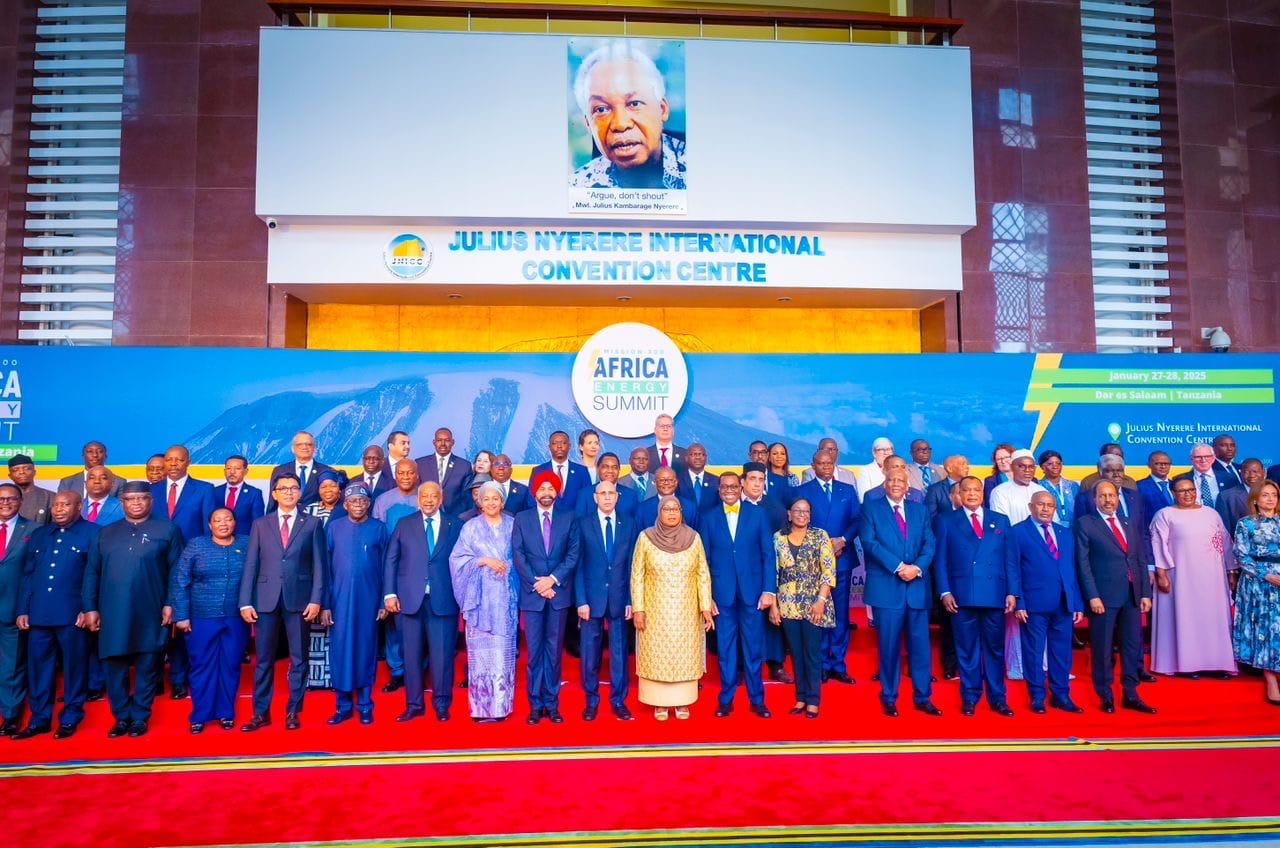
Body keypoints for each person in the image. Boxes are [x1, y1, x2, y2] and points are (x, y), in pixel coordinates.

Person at [84, 481, 184, 737]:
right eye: (130, 499)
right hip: (112, 611)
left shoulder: (168, 529)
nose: (136, 503)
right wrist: (90, 608)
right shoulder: (105, 533)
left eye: (142, 498)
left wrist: (171, 603)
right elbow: (92, 572)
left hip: (151, 610)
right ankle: (121, 717)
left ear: (151, 501)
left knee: (148, 665)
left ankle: (140, 716)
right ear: (122, 503)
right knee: (113, 665)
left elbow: (177, 571)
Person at [238, 472, 327, 732]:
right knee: (264, 660)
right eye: (283, 488)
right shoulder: (260, 524)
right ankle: (260, 713)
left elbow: (320, 565)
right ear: (274, 494)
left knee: (299, 658)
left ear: (300, 493)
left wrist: (316, 599)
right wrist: (245, 602)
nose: (289, 492)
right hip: (265, 599)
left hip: (299, 599)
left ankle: (292, 711)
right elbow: (251, 564)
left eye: (294, 488)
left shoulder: (312, 523)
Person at [14, 490, 97, 739]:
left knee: (74, 668)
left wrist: (88, 608)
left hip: (73, 614)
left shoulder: (94, 533)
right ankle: (39, 719)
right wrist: (23, 609)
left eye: (66, 504)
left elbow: (96, 575)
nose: (59, 509)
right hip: (39, 613)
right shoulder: (40, 534)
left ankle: (70, 717)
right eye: (56, 505)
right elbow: (29, 575)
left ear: (79, 506)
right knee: (39, 669)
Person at [935, 476, 1019, 717]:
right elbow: (940, 560)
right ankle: (970, 696)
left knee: (994, 649)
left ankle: (998, 697)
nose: (972, 494)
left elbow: (1010, 560)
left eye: (976, 490)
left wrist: (1012, 591)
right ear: (958, 494)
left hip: (994, 593)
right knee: (967, 649)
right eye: (967, 490)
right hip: (961, 595)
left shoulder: (1000, 520)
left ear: (983, 494)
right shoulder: (946, 520)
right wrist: (945, 591)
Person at [861, 468, 940, 717]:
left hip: (916, 588)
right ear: (884, 484)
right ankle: (889, 696)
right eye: (891, 480)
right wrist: (898, 567)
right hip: (887, 589)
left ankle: (923, 697)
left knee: (921, 648)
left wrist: (916, 568)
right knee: (889, 647)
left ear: (908, 486)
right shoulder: (871, 509)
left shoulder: (920, 510)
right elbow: (869, 543)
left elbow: (930, 543)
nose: (896, 483)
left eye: (900, 481)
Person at [1074, 480, 1155, 713]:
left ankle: (1131, 693)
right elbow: (1083, 563)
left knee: (1131, 646)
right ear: (1095, 500)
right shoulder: (1085, 523)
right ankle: (1105, 695)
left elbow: (1139, 559)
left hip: (1131, 595)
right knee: (1102, 648)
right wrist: (1092, 596)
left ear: (1118, 498)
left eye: (1112, 495)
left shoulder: (1128, 522)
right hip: (1103, 597)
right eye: (1103, 496)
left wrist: (1145, 593)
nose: (1108, 500)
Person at [383, 481, 460, 722]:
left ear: (441, 499)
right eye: (424, 496)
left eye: (433, 496)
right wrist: (389, 594)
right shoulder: (404, 524)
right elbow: (391, 559)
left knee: (442, 655)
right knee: (411, 655)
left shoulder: (455, 525)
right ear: (418, 500)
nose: (428, 500)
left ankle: (441, 703)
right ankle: (414, 704)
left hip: (444, 600)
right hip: (409, 600)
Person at [631, 495, 713, 720]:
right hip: (655, 611)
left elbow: (702, 573)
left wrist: (705, 607)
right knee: (657, 656)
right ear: (659, 512)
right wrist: (638, 609)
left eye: (675, 509)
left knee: (684, 655)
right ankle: (659, 703)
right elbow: (637, 575)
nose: (671, 513)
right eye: (666, 509)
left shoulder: (693, 538)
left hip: (686, 611)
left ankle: (682, 701)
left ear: (681, 512)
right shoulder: (646, 537)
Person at [700, 472, 775, 718]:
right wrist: (707, 596)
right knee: (726, 649)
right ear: (719, 490)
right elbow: (704, 560)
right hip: (722, 595)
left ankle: (757, 699)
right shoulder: (708, 517)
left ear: (741, 487)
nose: (729, 490)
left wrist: (768, 590)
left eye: (733, 486)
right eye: (725, 487)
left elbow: (768, 555)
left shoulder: (758, 514)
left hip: (753, 593)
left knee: (753, 648)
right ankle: (726, 699)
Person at [169, 507, 249, 733]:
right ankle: (200, 715)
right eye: (218, 520)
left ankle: (226, 713)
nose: (223, 524)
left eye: (228, 519)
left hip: (235, 617)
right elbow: (181, 580)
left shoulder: (246, 543)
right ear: (209, 525)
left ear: (235, 522)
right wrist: (181, 615)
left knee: (230, 665)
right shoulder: (196, 545)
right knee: (202, 665)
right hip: (201, 617)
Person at [1149, 478, 1237, 677]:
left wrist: (1231, 570)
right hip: (1181, 579)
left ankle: (1216, 664)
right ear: (1173, 493)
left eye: (1191, 490)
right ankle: (1187, 665)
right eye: (1182, 491)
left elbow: (1225, 543)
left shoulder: (1211, 513)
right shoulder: (1164, 515)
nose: (1187, 494)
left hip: (1213, 579)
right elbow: (1158, 546)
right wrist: (1161, 574)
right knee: (1186, 619)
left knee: (1213, 620)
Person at [570, 40, 687, 190]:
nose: (620, 124)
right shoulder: (578, 188)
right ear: (588, 123)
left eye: (634, 103)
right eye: (601, 109)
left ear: (662, 109)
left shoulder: (699, 170)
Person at [513, 471, 581, 724]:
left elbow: (573, 554)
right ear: (534, 492)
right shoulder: (522, 518)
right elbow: (518, 555)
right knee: (534, 654)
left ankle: (552, 705)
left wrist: (552, 580)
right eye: (541, 488)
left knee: (553, 653)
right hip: (533, 596)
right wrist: (538, 584)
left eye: (550, 488)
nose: (546, 493)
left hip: (558, 595)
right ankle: (535, 705)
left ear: (557, 492)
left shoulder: (568, 517)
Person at [150, 443, 214, 700]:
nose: (173, 464)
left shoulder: (204, 490)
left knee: (182, 623)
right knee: (154, 624)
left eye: (178, 460)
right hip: (154, 567)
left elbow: (208, 531)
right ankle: (154, 678)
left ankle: (178, 678)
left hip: (190, 567)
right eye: (169, 460)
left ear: (188, 462)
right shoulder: (151, 491)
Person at [449, 481, 518, 722]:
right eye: (486, 498)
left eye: (495, 498)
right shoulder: (470, 527)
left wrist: (509, 567)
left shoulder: (513, 525)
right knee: (480, 656)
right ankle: (480, 708)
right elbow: (457, 559)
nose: (491, 503)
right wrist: (483, 561)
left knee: (503, 654)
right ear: (479, 501)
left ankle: (501, 707)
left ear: (502, 501)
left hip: (505, 599)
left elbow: (522, 555)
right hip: (478, 600)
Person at [1014, 491, 1085, 713]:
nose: (1046, 509)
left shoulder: (1065, 533)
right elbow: (1013, 570)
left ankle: (1061, 695)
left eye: (1050, 505)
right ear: (1031, 506)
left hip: (1063, 603)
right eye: (1041, 504)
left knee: (1061, 652)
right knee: (1034, 652)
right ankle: (1037, 696)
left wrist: (1077, 602)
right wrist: (1019, 602)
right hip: (1033, 604)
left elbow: (1072, 570)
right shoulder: (1018, 532)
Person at [323, 483, 388, 725]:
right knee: (340, 651)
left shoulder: (379, 529)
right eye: (353, 501)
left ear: (368, 504)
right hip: (339, 601)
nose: (358, 505)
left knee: (365, 649)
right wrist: (325, 604)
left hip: (369, 601)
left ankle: (365, 705)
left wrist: (383, 600)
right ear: (345, 504)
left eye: (362, 501)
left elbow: (387, 567)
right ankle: (343, 706)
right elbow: (325, 568)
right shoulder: (334, 528)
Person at [794, 450, 860, 684]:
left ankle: (838, 664)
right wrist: (823, 546)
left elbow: (857, 520)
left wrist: (843, 540)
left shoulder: (847, 489)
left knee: (841, 614)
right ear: (813, 465)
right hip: (814, 563)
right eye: (821, 464)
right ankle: (821, 663)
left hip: (842, 558)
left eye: (829, 463)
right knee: (818, 612)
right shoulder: (802, 491)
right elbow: (799, 524)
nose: (826, 467)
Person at [574, 480, 638, 721]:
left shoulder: (629, 523)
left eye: (612, 493)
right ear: (595, 497)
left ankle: (618, 700)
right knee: (590, 653)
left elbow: (632, 565)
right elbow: (578, 565)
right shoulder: (582, 523)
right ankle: (591, 700)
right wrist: (581, 600)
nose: (608, 497)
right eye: (603, 493)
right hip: (591, 600)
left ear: (617, 497)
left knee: (619, 653)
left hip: (620, 598)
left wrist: (631, 599)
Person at [769, 497, 836, 719]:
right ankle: (800, 697)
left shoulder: (820, 536)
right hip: (788, 604)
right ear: (789, 514)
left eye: (806, 511)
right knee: (796, 654)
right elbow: (774, 573)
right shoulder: (778, 538)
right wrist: (774, 606)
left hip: (814, 604)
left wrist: (821, 601)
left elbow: (828, 571)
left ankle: (813, 700)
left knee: (812, 653)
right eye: (797, 510)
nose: (802, 515)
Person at [372, 457, 419, 694]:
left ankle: (418, 670)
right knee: (393, 622)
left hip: (418, 569)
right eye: (401, 473)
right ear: (395, 475)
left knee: (418, 621)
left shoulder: (426, 496)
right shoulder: (383, 501)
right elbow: (378, 535)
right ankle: (397, 671)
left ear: (417, 475)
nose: (406, 477)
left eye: (410, 473)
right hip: (390, 568)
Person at [1232, 479, 1280, 705]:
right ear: (1255, 499)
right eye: (1265, 495)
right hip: (1258, 583)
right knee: (1266, 629)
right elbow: (1241, 555)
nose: (1270, 499)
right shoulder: (1246, 524)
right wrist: (1265, 574)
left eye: (1274, 495)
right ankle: (1270, 679)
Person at [0, 483, 33, 736]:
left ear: (20, 502)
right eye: (1, 499)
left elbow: (34, 573)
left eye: (11, 499)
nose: (6, 503)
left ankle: (11, 715)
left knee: (11, 665)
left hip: (13, 609)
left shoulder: (33, 530)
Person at [268, 431, 337, 511]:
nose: (304, 447)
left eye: (309, 444)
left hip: (316, 517)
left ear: (314, 448)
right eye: (299, 444)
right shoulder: (280, 470)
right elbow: (272, 502)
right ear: (293, 448)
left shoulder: (326, 470)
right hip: (287, 516)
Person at [527, 430, 589, 511]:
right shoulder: (538, 471)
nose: (559, 446)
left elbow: (587, 500)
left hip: (575, 518)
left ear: (569, 446)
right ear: (549, 447)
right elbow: (531, 501)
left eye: (563, 443)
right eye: (554, 443)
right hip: (548, 518)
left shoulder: (581, 471)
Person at [415, 428, 471, 517]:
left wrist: (456, 518)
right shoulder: (420, 464)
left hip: (454, 518)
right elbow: (416, 492)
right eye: (439, 440)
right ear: (434, 442)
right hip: (425, 516)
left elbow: (467, 497)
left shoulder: (464, 465)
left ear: (453, 442)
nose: (443, 444)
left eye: (447, 440)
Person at [576, 452, 638, 520]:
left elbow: (634, 523)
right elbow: (579, 522)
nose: (610, 471)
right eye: (605, 467)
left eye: (614, 467)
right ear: (597, 469)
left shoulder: (630, 495)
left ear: (619, 470)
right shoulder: (584, 494)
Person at [1217, 458, 1266, 538]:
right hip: (1242, 544)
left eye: (1255, 471)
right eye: (1246, 472)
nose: (1251, 475)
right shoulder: (1226, 497)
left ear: (1264, 472)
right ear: (1241, 473)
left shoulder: (1275, 493)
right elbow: (1225, 531)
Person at [215, 454, 265, 530]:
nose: (232, 472)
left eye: (237, 468)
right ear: (224, 471)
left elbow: (258, 523)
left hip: (244, 537)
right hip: (218, 536)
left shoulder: (254, 493)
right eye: (228, 468)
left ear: (246, 471)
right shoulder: (214, 492)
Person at [58, 440, 123, 498]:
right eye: (90, 451)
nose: (95, 455)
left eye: (100, 451)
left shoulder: (119, 482)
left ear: (105, 456)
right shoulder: (67, 482)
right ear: (83, 456)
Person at [1037, 450, 1078, 529]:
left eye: (1058, 463)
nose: (1055, 466)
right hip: (1048, 528)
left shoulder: (1072, 485)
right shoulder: (1038, 487)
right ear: (1042, 467)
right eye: (1050, 464)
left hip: (1073, 529)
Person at [1175, 442, 1223, 509]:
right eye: (1198, 457)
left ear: (1213, 458)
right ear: (1191, 459)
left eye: (1207, 456)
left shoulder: (1228, 478)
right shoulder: (1180, 480)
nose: (1203, 460)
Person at [8, 454, 52, 525]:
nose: (21, 472)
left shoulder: (50, 497)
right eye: (16, 470)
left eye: (26, 468)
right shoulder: (3, 497)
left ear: (34, 472)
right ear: (10, 476)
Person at [924, 454, 968, 523]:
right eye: (962, 464)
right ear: (949, 469)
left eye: (967, 464)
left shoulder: (974, 486)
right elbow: (931, 517)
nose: (967, 467)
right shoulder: (934, 490)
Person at [677, 443, 719, 514]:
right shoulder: (677, 480)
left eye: (701, 454)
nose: (698, 457)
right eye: (694, 454)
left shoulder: (716, 481)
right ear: (686, 458)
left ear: (706, 458)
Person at [1136, 450, 1176, 522]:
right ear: (1149, 465)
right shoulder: (1139, 486)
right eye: (1158, 464)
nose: (1163, 466)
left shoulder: (1176, 485)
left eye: (1166, 464)